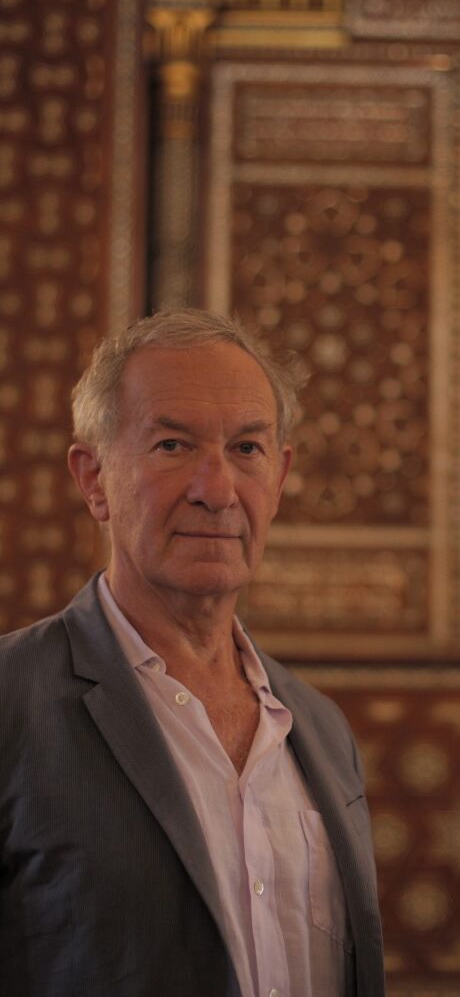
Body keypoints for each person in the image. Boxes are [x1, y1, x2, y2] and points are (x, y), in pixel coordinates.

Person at [0, 309, 384, 997]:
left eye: (247, 449)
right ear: (93, 479)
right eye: (174, 446)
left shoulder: (320, 731)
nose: (216, 489)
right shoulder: (9, 703)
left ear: (281, 476)